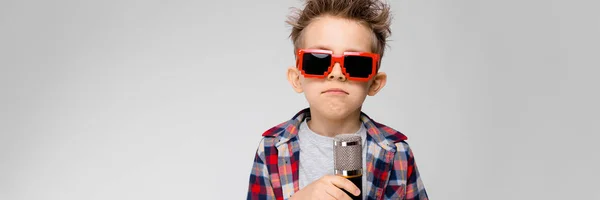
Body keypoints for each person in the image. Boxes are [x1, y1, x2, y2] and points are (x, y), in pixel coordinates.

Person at [246, 0, 428, 199]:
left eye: (356, 63)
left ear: (375, 83)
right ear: (297, 79)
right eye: (318, 60)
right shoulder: (271, 148)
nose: (336, 73)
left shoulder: (396, 152)